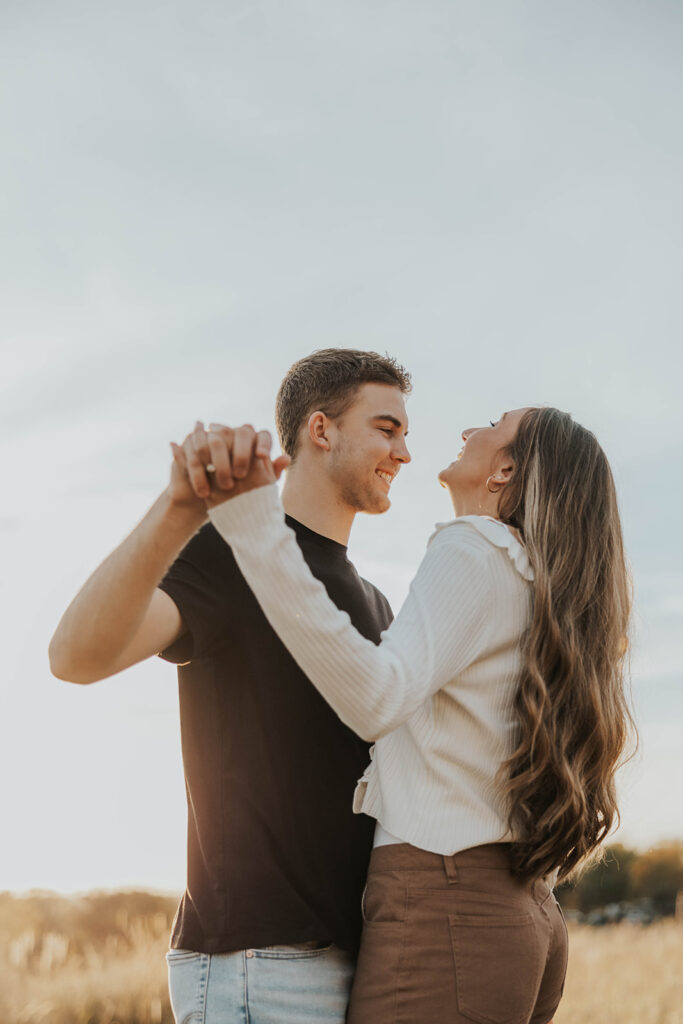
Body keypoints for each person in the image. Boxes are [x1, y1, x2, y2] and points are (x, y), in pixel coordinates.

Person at [178, 405, 633, 1024]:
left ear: (505, 471)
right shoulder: (537, 582)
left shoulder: (476, 548)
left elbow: (376, 698)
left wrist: (257, 533)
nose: (470, 430)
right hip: (519, 914)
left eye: (493, 425)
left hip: (445, 904)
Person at [49, 348, 412, 1024]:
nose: (403, 452)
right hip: (260, 967)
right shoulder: (231, 553)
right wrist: (180, 507)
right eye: (386, 429)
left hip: (350, 965)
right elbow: (74, 657)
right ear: (320, 429)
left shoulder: (376, 602)